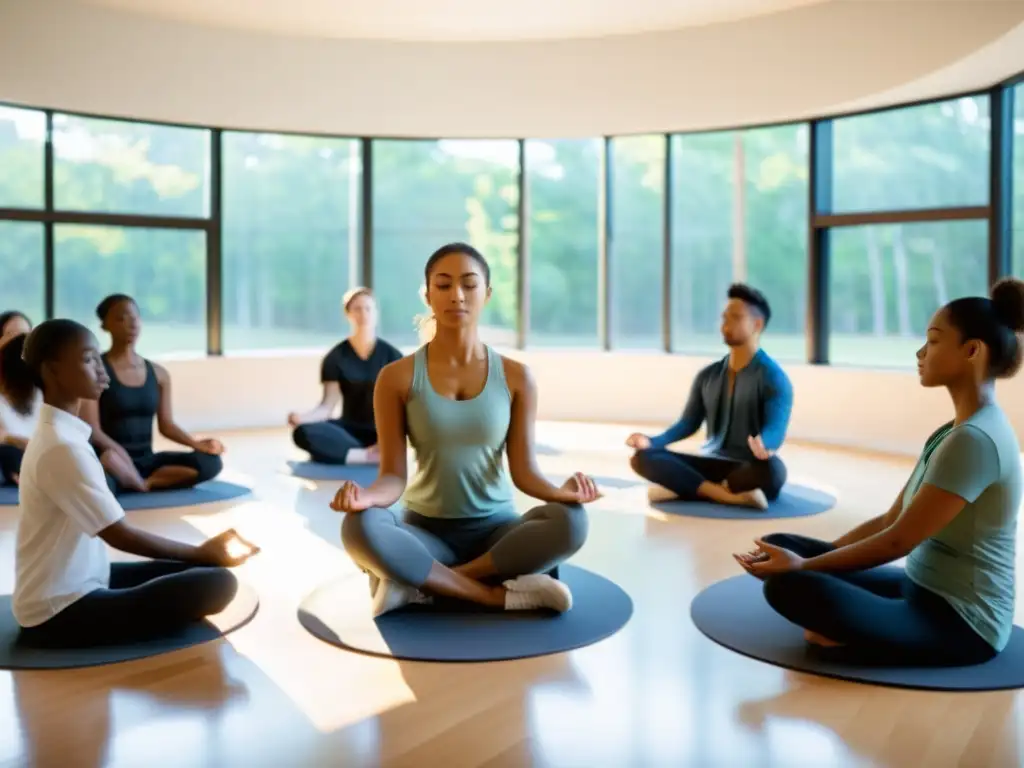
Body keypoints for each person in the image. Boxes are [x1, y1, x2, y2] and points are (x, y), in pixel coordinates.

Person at [736, 278, 1024, 667]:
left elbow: (897, 542)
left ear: (972, 350)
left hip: (961, 622)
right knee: (780, 543)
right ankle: (837, 620)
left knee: (790, 585)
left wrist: (805, 568)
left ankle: (841, 633)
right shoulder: (954, 430)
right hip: (918, 586)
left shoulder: (974, 440)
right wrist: (820, 559)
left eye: (934, 341)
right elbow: (892, 518)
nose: (921, 352)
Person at [336, 243, 597, 617]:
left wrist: (561, 492)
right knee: (359, 527)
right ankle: (492, 595)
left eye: (469, 284)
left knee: (571, 522)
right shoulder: (396, 377)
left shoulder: (516, 376)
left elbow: (524, 471)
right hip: (426, 536)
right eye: (443, 285)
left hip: (498, 537)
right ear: (428, 295)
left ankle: (426, 583)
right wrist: (365, 498)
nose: (456, 295)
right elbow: (392, 477)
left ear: (486, 294)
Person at [10, 318, 258, 648]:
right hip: (58, 611)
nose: (101, 370)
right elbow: (120, 535)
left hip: (85, 579)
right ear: (52, 370)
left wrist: (198, 556)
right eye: (88, 360)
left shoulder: (65, 433)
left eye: (99, 358)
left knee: (191, 568)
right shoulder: (61, 447)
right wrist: (202, 551)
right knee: (217, 583)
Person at [627, 283, 793, 510]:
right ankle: (723, 494)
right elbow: (687, 424)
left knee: (774, 471)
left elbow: (776, 427)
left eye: (735, 317)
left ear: (757, 324)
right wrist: (652, 441)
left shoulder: (774, 377)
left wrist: (766, 443)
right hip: (708, 461)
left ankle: (686, 487)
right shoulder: (708, 375)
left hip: (745, 466)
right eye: (724, 317)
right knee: (642, 458)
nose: (725, 323)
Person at [80, 294, 225, 494]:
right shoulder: (96, 372)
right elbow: (93, 430)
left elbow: (167, 426)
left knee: (211, 463)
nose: (131, 324)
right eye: (121, 318)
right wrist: (123, 457)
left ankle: (146, 482)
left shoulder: (159, 374)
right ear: (105, 326)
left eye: (135, 317)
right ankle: (135, 479)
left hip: (148, 460)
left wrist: (197, 444)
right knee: (99, 479)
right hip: (112, 460)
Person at [288, 287, 402, 465]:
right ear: (347, 314)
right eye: (357, 308)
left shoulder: (392, 356)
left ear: (376, 313)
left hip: (382, 432)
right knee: (302, 433)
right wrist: (302, 418)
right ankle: (366, 456)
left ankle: (350, 454)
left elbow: (402, 405)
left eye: (368, 308)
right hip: (348, 430)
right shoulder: (335, 357)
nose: (363, 314)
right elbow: (327, 407)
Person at [0, 334, 42, 486]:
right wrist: (21, 441)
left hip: (43, 452)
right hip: (15, 453)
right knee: (9, 452)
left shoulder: (42, 394)